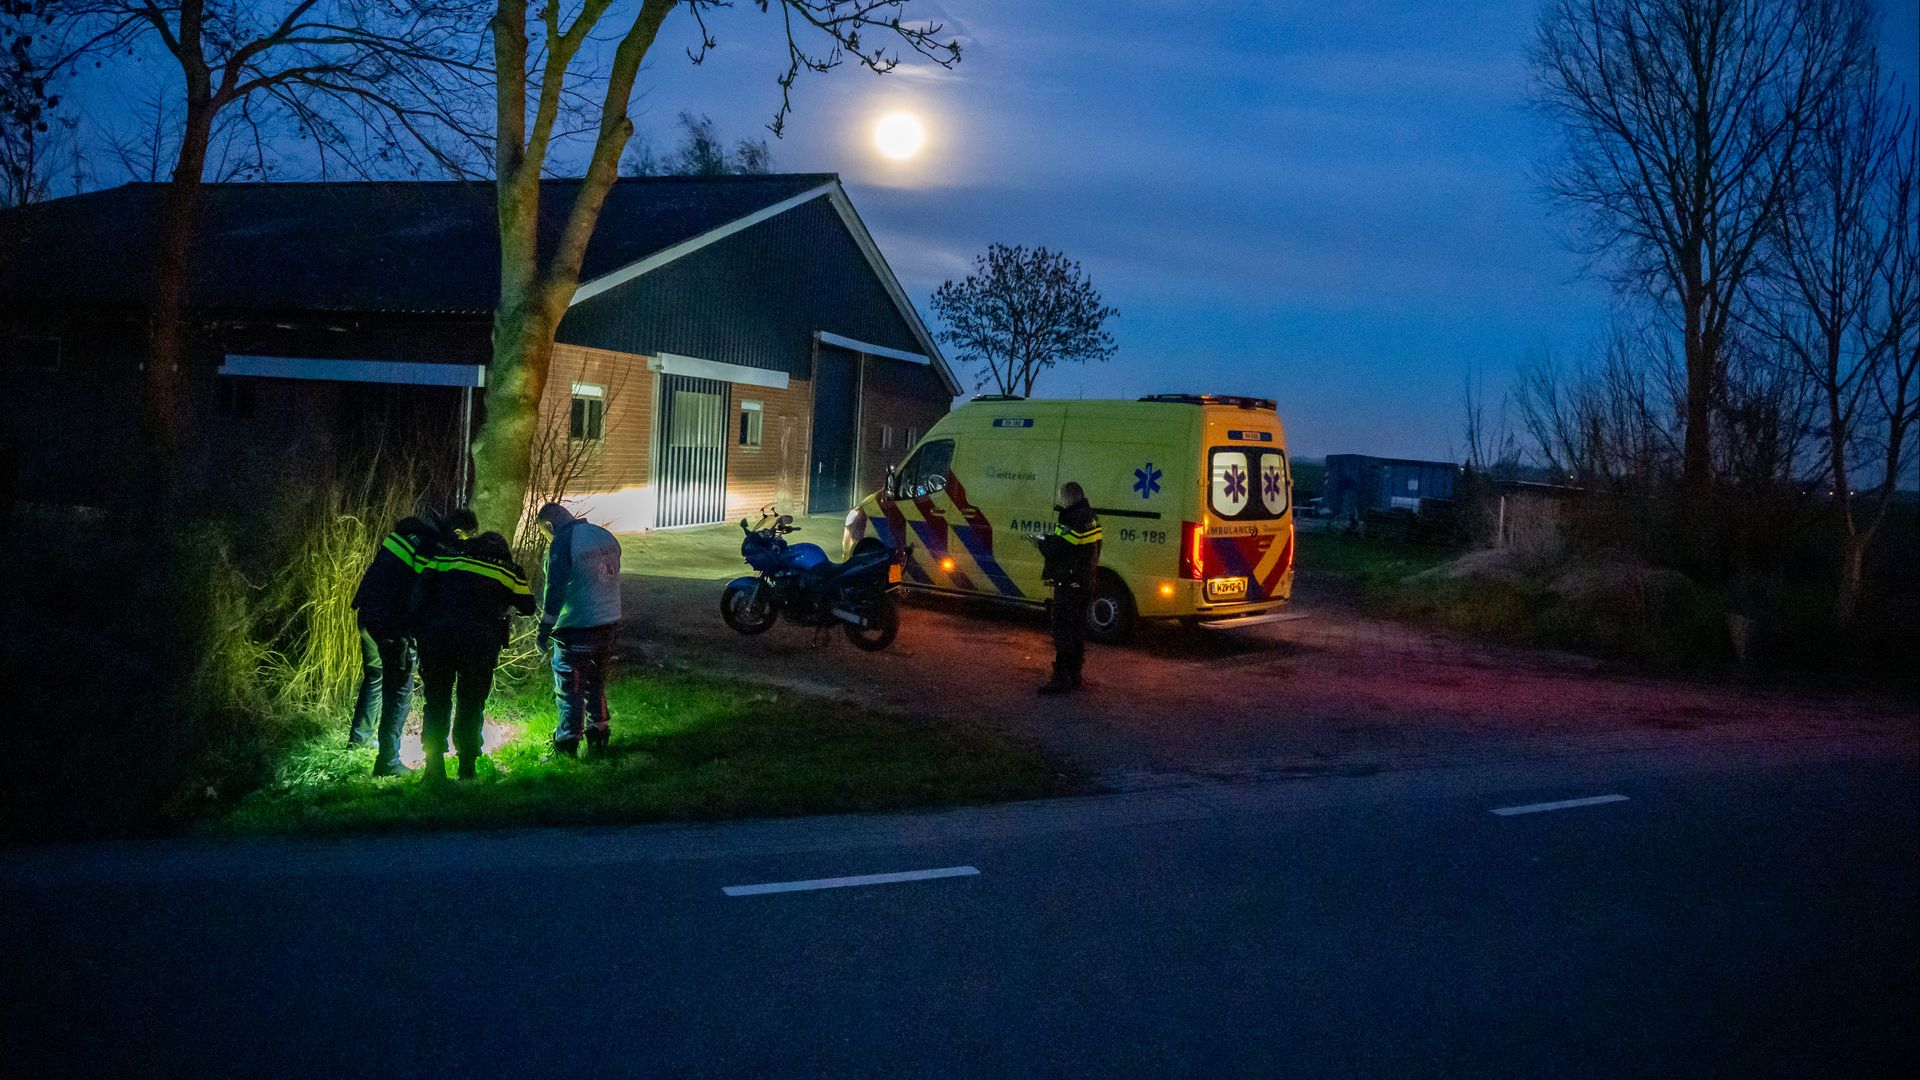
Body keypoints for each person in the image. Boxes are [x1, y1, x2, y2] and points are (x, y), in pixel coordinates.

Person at [348, 508, 475, 777]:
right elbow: (421, 591)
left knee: (374, 677)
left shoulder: (409, 534)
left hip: (368, 614)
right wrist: (421, 627)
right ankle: (388, 761)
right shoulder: (430, 547)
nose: (462, 543)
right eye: (464, 537)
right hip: (392, 624)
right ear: (456, 531)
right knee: (399, 689)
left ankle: (358, 742)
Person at [413, 529, 534, 782]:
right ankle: (466, 767)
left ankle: (433, 767)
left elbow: (421, 591)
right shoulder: (508, 571)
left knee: (436, 701)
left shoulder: (445, 559)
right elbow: (528, 606)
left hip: (438, 639)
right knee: (471, 702)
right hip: (479, 645)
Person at [535, 502, 623, 757]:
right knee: (596, 682)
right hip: (608, 623)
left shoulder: (563, 542)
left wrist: (545, 627)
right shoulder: (603, 535)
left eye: (545, 532)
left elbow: (556, 588)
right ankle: (599, 734)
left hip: (575, 626)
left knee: (569, 686)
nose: (548, 538)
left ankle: (567, 742)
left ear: (550, 525)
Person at [1034, 481, 1103, 694]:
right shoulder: (1091, 517)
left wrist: (1040, 542)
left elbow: (1058, 548)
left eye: (1061, 497)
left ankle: (1061, 679)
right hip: (1085, 581)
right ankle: (1074, 675)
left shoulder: (1070, 517)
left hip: (1069, 583)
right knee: (1076, 630)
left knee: (1062, 629)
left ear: (1068, 498)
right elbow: (1085, 545)